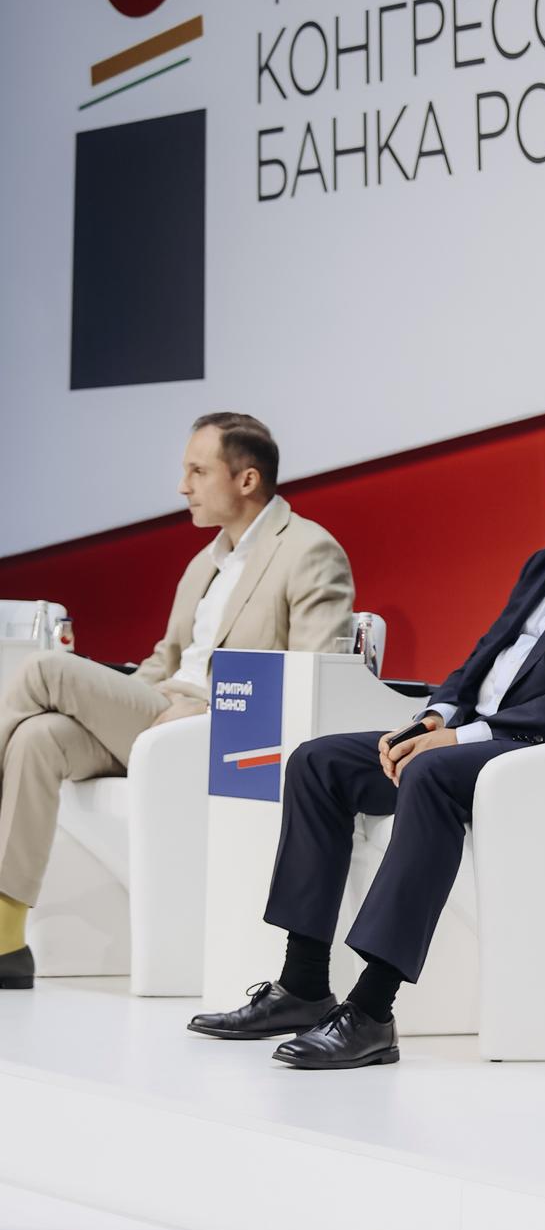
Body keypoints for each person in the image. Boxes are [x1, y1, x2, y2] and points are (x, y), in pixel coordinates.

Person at [189, 388, 545, 1070]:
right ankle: (303, 984)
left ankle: (371, 1011)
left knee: (432, 773)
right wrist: (437, 715)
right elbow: (481, 660)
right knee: (318, 763)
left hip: (544, 756)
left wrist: (463, 738)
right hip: (475, 738)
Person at [0, 413, 355, 990]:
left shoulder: (309, 550)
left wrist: (214, 711)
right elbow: (164, 662)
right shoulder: (204, 563)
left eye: (197, 471)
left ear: (246, 479)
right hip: (161, 711)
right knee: (39, 738)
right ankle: (6, 942)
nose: (183, 486)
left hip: (219, 732)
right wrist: (106, 704)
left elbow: (312, 677)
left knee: (43, 668)